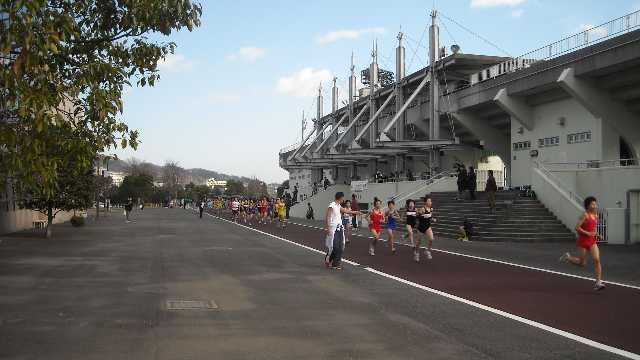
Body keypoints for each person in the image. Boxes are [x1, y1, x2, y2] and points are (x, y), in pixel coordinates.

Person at [560, 196, 606, 291]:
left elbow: (593, 228)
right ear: (588, 205)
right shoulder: (584, 215)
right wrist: (587, 233)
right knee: (582, 263)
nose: (595, 205)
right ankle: (567, 257)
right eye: (592, 204)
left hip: (592, 241)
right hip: (583, 241)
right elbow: (577, 228)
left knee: (597, 259)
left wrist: (597, 235)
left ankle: (598, 282)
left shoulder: (595, 215)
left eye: (595, 203)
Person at [325, 192, 360, 269]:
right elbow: (328, 217)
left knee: (341, 246)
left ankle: (335, 264)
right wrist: (328, 229)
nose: (343, 200)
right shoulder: (332, 205)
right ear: (340, 198)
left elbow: (346, 211)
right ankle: (329, 259)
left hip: (340, 228)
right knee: (335, 247)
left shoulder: (338, 206)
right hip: (333, 229)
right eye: (343, 198)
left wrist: (355, 212)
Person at [415, 195, 436, 262]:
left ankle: (427, 251)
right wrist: (419, 214)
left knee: (431, 239)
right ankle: (417, 253)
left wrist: (433, 219)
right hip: (421, 227)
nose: (430, 202)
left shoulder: (431, 209)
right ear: (425, 202)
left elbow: (430, 217)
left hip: (427, 227)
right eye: (429, 201)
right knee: (419, 242)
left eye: (431, 201)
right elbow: (417, 217)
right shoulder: (423, 209)